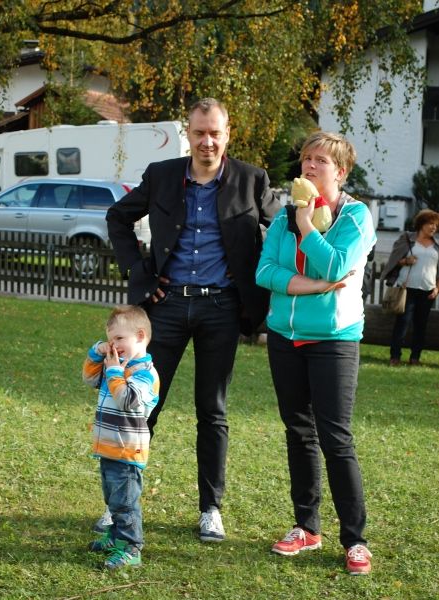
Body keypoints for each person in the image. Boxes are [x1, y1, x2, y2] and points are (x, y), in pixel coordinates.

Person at [106, 97, 281, 542]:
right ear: (189, 134)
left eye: (215, 133)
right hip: (164, 309)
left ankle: (210, 509)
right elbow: (118, 217)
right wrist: (139, 272)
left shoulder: (252, 180)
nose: (207, 141)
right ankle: (120, 504)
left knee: (212, 410)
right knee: (143, 405)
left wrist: (261, 270)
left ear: (227, 134)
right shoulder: (162, 175)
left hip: (221, 309)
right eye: (199, 132)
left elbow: (283, 229)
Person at [256, 131, 376, 575]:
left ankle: (355, 540)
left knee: (335, 438)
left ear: (340, 171)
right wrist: (315, 287)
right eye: (306, 158)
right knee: (298, 432)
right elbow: (265, 271)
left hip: (334, 339)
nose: (308, 166)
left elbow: (336, 264)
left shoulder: (356, 215)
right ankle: (306, 527)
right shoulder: (284, 215)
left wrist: (308, 228)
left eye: (320, 160)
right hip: (285, 337)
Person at [83, 305, 159, 570]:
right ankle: (116, 537)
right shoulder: (116, 365)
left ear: (140, 336)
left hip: (127, 450)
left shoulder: (145, 373)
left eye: (118, 338)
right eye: (110, 339)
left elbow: (127, 399)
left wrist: (115, 372)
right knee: (114, 499)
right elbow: (89, 378)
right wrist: (97, 352)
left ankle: (131, 548)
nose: (113, 345)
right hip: (109, 447)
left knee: (126, 503)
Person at [381, 209, 439, 366]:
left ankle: (415, 358)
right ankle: (395, 356)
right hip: (406, 289)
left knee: (421, 326)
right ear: (421, 224)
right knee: (403, 323)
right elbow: (394, 260)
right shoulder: (406, 238)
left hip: (427, 291)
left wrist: (436, 289)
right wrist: (406, 261)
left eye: (435, 225)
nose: (433, 227)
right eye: (430, 223)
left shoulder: (437, 245)